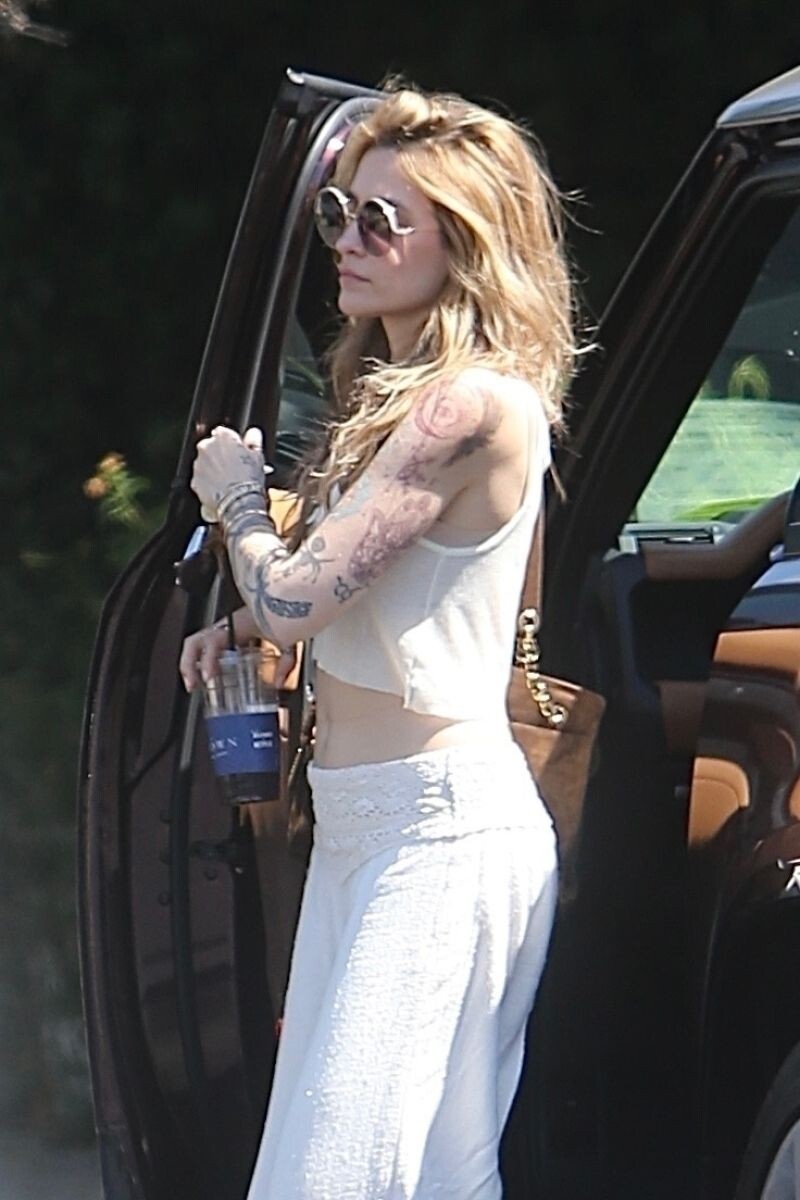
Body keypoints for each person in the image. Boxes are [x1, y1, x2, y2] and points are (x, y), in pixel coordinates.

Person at [181, 82, 578, 1200]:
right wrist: (246, 614)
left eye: (380, 221)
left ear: (467, 242)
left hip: (433, 837)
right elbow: (359, 589)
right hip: (375, 829)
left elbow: (300, 598)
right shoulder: (404, 401)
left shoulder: (467, 408)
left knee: (334, 1177)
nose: (346, 243)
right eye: (336, 214)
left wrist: (236, 499)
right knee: (427, 1178)